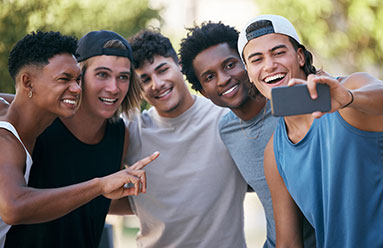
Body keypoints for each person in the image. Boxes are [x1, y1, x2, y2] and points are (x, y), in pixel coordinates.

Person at [3, 30, 158, 248]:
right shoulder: (41, 123)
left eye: (123, 77)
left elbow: (98, 200)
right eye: (102, 74)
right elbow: (14, 205)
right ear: (81, 74)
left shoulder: (119, 134)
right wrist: (100, 185)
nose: (113, 88)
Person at [238, 14, 383, 247]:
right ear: (249, 75)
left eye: (278, 53)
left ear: (300, 56)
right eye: (256, 60)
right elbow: (288, 243)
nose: (269, 65)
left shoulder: (349, 91)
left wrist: (349, 98)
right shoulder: (275, 154)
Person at [179, 21, 316, 247]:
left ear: (247, 64)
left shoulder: (292, 104)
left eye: (230, 65)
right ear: (203, 92)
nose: (223, 79)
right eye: (209, 77)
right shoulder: (226, 130)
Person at [109, 29, 248, 248]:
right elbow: (107, 199)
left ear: (179, 66)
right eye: (145, 79)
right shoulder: (132, 130)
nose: (157, 83)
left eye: (162, 70)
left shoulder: (224, 116)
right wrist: (148, 203)